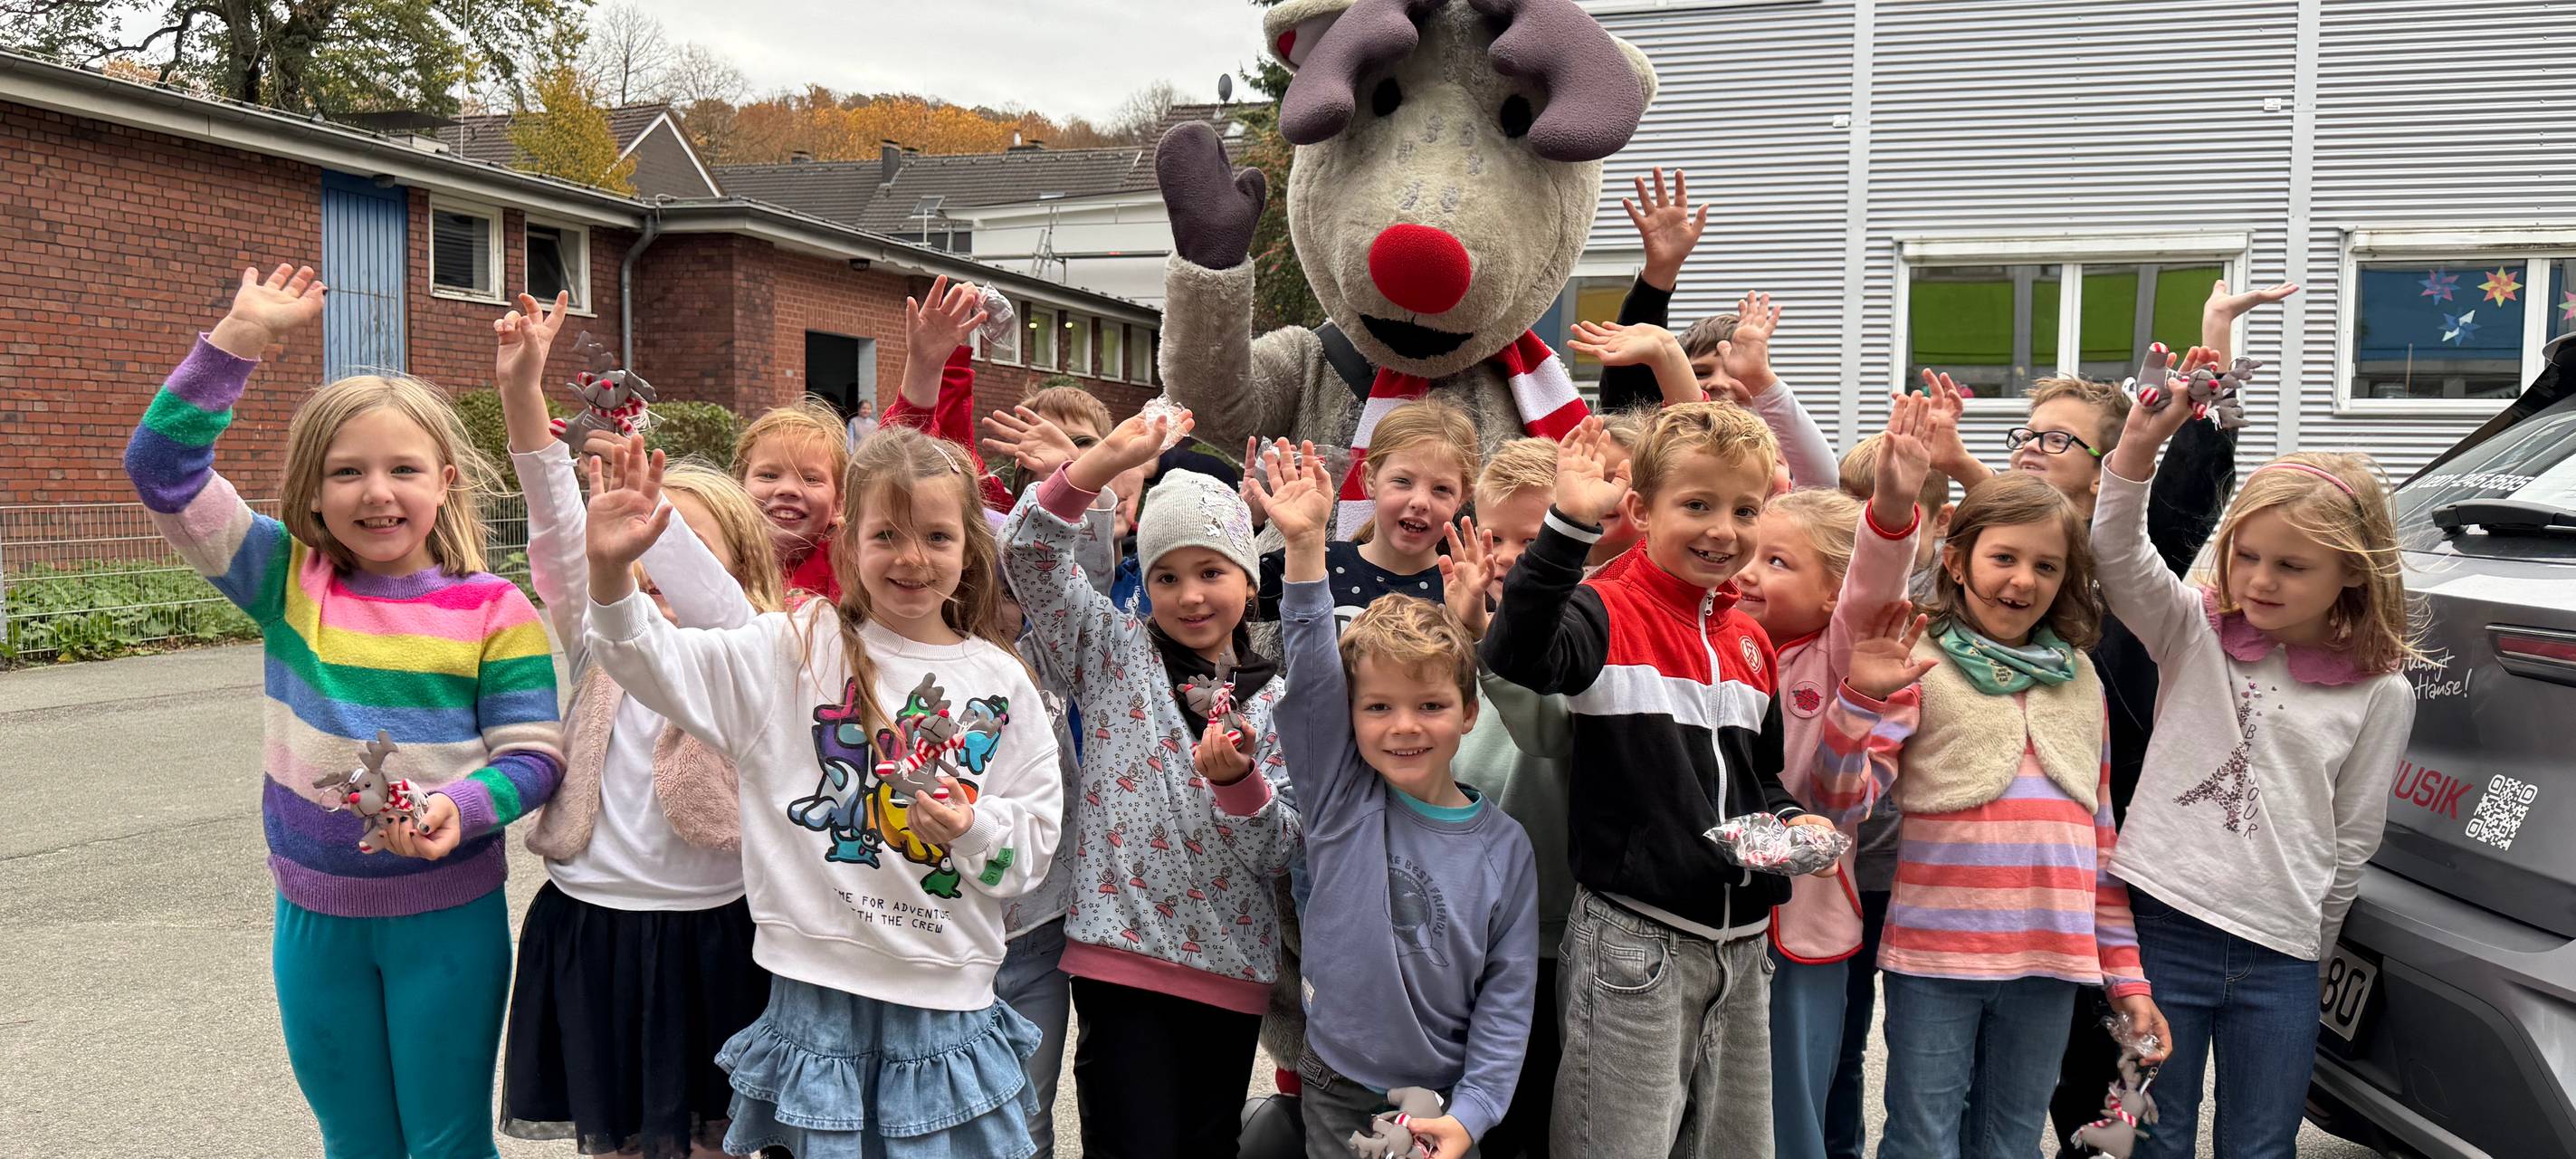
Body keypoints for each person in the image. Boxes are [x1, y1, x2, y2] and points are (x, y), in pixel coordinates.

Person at [125, 263, 565, 1157]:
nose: (376, 491)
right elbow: (162, 469)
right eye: (347, 472)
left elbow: (534, 757)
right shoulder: (284, 578)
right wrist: (236, 342)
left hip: (449, 921)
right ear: (313, 492)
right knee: (355, 1138)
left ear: (443, 480)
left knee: (445, 1142)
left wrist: (458, 808)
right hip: (314, 920)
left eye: (403, 468)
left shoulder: (494, 609)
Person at [584, 427, 1062, 1159]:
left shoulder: (1003, 684)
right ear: (849, 542)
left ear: (968, 548)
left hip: (946, 998)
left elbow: (1025, 860)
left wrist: (968, 828)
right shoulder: (795, 646)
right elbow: (648, 664)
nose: (910, 557)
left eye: (935, 535)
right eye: (886, 534)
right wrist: (612, 576)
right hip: (813, 993)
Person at [1481, 405, 1836, 1156]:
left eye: (1744, 510)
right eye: (1697, 505)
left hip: (1743, 949)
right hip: (1635, 938)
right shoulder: (1603, 610)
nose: (1722, 530)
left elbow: (1757, 781)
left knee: (1733, 1146)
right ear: (1641, 511)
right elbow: (1517, 654)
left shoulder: (1749, 640)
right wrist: (1567, 528)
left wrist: (1795, 820)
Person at [2094, 352, 2417, 1159]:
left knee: (2263, 1147)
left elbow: (2352, 840)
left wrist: (2315, 945)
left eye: (2292, 565)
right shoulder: (2192, 630)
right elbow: (2118, 556)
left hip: (2283, 957)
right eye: (2247, 555)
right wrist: (2138, 446)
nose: (2261, 579)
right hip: (2163, 931)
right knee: (2150, 1141)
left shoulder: (2381, 693)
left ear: (2351, 569)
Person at [484, 292, 781, 1159]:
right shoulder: (597, 639)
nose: (644, 564)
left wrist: (657, 538)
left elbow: (722, 611)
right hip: (591, 928)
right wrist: (522, 392)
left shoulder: (751, 657)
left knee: (712, 1142)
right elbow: (552, 517)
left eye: (672, 547)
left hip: (716, 936)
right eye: (631, 544)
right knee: (611, 1141)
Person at [1811, 472, 2169, 1159]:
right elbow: (1837, 802)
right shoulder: (1920, 664)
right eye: (2004, 557)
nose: (2023, 580)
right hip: (1936, 958)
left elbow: (2101, 842)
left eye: (2046, 566)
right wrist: (1857, 698)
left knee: (2010, 1144)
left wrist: (2126, 978)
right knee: (1922, 1140)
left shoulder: (2082, 678)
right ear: (1956, 559)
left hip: (2053, 964)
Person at [1002, 407, 1300, 1159]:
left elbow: (1284, 848)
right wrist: (1100, 462)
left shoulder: (1282, 700)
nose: (1190, 595)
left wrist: (1241, 787)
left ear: (1248, 578)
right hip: (1118, 960)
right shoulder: (1108, 649)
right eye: (1166, 575)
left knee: (1205, 1147)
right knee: (1127, 1144)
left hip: (1230, 968)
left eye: (1211, 572)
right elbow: (1030, 554)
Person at [1255, 439, 1539, 1159]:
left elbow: (1507, 1004)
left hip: (1449, 1098)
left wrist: (1474, 1113)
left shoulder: (1506, 847)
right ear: (1349, 720)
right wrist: (1304, 550)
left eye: (1431, 705)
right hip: (1339, 1081)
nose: (1404, 727)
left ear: (1470, 712)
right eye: (1377, 707)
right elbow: (1316, 672)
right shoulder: (1339, 796)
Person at [1740, 397, 1936, 1159]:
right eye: (1750, 552)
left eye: (1777, 562)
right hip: (1709, 917)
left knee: (1795, 1111)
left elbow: (1872, 590)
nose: (1749, 574)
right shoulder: (1715, 635)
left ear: (1831, 593)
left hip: (1805, 929)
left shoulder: (1836, 653)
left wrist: (1890, 509)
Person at [1451, 436, 1573, 1159]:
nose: (1505, 556)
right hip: (1469, 923)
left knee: (1539, 1108)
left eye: (1534, 539)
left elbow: (1548, 735)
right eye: (1494, 535)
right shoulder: (1453, 625)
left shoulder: (1580, 636)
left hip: (1553, 929)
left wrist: (1485, 641)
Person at [880, 274, 1014, 511]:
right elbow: (907, 452)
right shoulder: (983, 494)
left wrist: (1069, 480)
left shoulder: (1001, 509)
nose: (790, 490)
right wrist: (928, 366)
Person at [730, 398, 849, 600]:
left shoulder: (847, 563)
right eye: (768, 475)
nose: (787, 490)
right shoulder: (720, 556)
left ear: (838, 504)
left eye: (810, 479)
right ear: (739, 489)